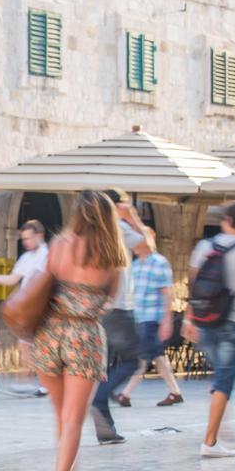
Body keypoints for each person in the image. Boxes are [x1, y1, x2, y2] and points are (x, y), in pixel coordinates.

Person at [33, 190, 126, 471]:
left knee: (61, 416)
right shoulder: (113, 258)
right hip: (84, 336)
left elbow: (44, 285)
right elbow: (109, 303)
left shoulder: (59, 246)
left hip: (50, 333)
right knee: (73, 420)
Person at [183, 200, 235, 458]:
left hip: (205, 322)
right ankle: (210, 440)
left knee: (219, 378)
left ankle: (218, 423)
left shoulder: (205, 246)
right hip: (232, 322)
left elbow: (193, 285)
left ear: (226, 220)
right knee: (223, 381)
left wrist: (188, 318)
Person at [88, 189, 149, 445]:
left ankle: (106, 429)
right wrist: (132, 216)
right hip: (119, 307)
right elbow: (147, 249)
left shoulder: (90, 232)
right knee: (133, 361)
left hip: (97, 309)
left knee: (106, 367)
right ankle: (98, 400)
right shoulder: (118, 228)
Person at [0, 220, 50, 397]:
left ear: (39, 236)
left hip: (43, 307)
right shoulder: (25, 257)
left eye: (29, 238)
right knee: (25, 344)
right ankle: (32, 382)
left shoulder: (48, 255)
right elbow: (12, 280)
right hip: (27, 308)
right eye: (23, 239)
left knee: (35, 345)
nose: (26, 242)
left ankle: (35, 382)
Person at [116, 236, 182, 407]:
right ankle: (175, 392)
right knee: (157, 357)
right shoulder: (136, 265)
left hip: (153, 317)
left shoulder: (159, 262)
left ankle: (126, 394)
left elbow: (167, 292)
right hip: (139, 317)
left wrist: (167, 320)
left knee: (142, 357)